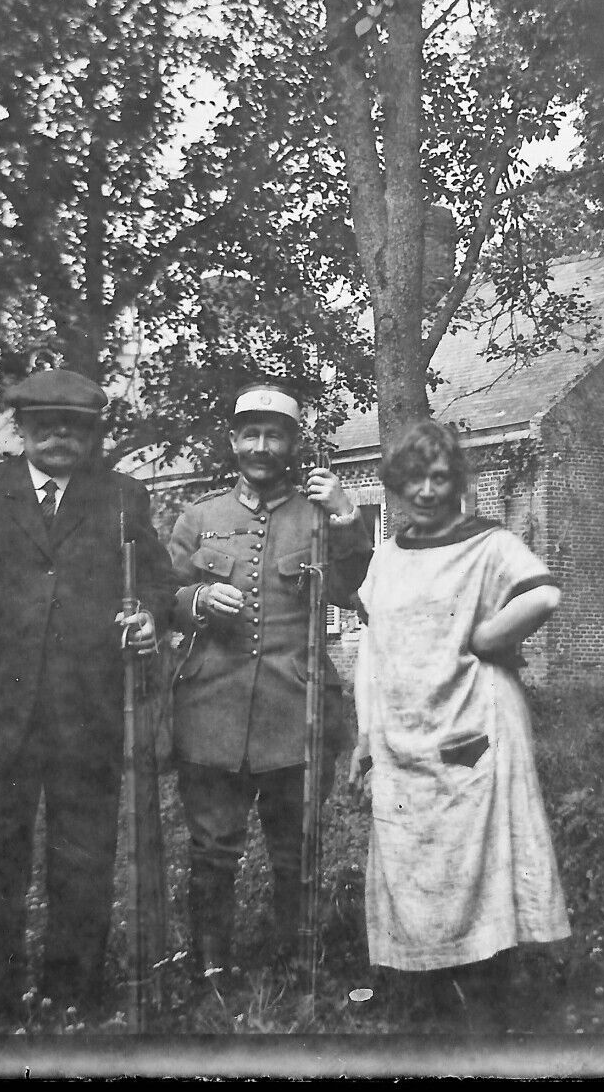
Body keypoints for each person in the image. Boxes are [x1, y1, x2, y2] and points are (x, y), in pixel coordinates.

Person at [0, 368, 175, 1021]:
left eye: (74, 425)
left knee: (83, 860)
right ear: (22, 427)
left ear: (92, 432)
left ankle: (75, 993)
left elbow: (157, 585)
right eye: (45, 423)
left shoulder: (123, 498)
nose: (60, 435)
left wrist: (147, 616)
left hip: (87, 713)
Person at [348, 419, 572, 1032]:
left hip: (477, 727)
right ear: (395, 484)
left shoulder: (491, 545)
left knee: (481, 858)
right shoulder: (389, 556)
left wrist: (483, 637)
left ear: (456, 482)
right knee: (412, 858)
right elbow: (371, 640)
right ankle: (425, 1002)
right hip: (403, 732)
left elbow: (544, 596)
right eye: (413, 478)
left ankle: (490, 1007)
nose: (425, 490)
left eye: (439, 477)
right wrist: (367, 731)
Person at [164, 381, 372, 976]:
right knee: (212, 847)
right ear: (233, 442)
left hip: (296, 705)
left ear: (292, 443)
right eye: (250, 434)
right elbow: (163, 594)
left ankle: (297, 959)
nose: (261, 446)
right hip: (211, 706)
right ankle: (210, 964)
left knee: (295, 846)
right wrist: (198, 598)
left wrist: (347, 516)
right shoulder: (200, 516)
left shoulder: (318, 514)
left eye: (274, 434)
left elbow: (349, 589)